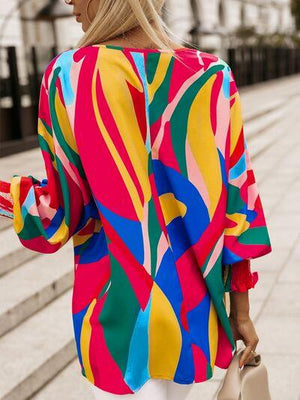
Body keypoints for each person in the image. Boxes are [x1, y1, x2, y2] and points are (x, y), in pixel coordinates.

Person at [0, 0, 272, 399]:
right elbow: (236, 205)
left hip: (117, 314)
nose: (69, 1)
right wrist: (241, 311)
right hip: (189, 311)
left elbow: (57, 214)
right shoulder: (212, 75)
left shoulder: (72, 73)